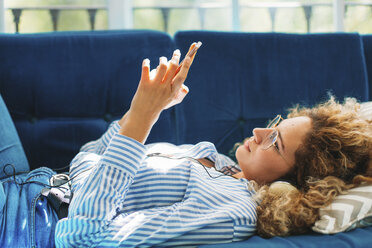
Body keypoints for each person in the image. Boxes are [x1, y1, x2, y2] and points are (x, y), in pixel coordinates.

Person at [1, 44, 371, 247]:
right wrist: (141, 112)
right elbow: (92, 154)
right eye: (274, 125)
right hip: (25, 183)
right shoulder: (215, 159)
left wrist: (141, 124)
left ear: (295, 183)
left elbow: (84, 238)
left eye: (274, 143)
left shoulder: (234, 211)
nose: (259, 132)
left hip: (25, 227)